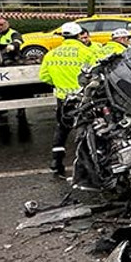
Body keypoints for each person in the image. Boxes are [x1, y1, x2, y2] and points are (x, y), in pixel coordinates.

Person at [38, 22, 99, 177]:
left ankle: (56, 162)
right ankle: (86, 166)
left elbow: (44, 76)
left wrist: (60, 84)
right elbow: (95, 73)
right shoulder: (85, 52)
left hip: (62, 99)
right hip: (83, 98)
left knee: (61, 129)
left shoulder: (51, 53)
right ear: (79, 35)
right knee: (85, 130)